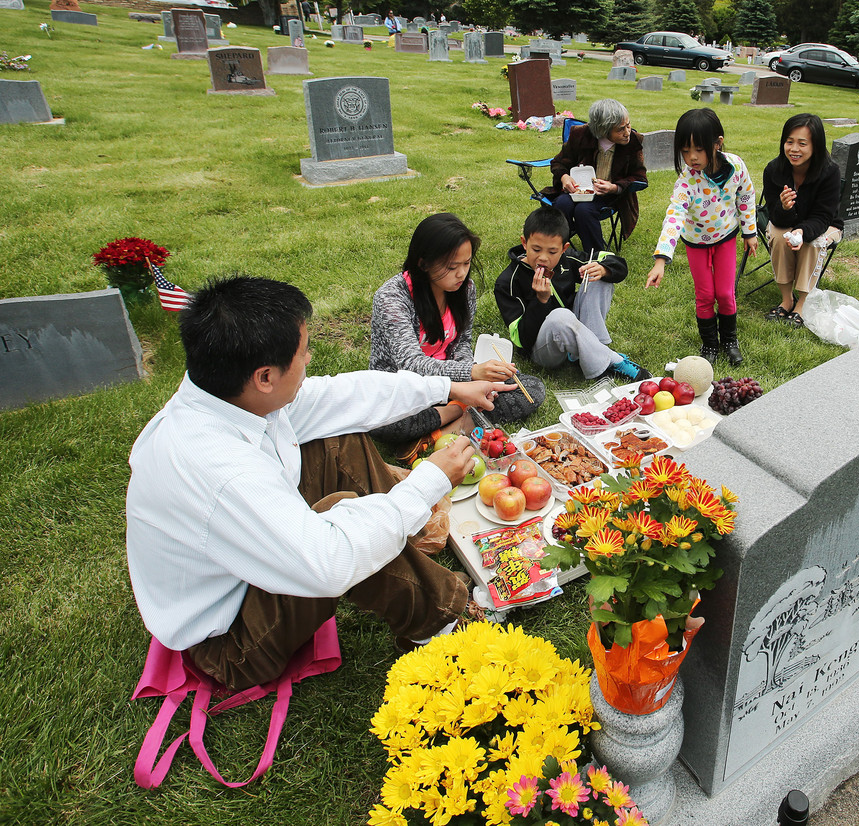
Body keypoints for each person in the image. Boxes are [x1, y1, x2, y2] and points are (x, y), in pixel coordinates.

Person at [125, 275, 516, 690]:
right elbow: (331, 561)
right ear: (264, 377)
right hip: (232, 642)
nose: (310, 357)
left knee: (337, 432)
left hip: (244, 567)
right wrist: (430, 480)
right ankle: (438, 621)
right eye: (303, 351)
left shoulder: (227, 398)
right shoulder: (218, 469)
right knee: (345, 521)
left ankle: (403, 541)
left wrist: (450, 387)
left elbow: (346, 396)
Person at [370, 214, 544, 453]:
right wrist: (470, 374)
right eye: (452, 267)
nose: (462, 274)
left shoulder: (465, 290)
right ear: (423, 263)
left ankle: (440, 431)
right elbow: (410, 364)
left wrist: (476, 379)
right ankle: (459, 412)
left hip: (453, 383)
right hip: (406, 389)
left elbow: (462, 341)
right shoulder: (392, 298)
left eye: (467, 263)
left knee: (531, 389)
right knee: (383, 423)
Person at [645, 108, 757, 366]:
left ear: (717, 143)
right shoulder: (686, 181)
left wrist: (749, 231)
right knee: (705, 294)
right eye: (685, 151)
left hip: (726, 237)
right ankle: (709, 344)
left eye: (698, 149)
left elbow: (746, 196)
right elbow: (674, 216)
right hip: (696, 243)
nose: (691, 157)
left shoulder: (737, 165)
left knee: (726, 293)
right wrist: (661, 259)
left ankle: (730, 340)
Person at [495, 206, 650, 382]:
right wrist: (541, 300)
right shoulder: (507, 281)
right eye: (536, 250)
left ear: (563, 248)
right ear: (524, 243)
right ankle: (608, 359)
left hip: (573, 328)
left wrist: (604, 269)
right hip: (545, 350)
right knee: (560, 316)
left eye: (552, 251)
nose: (543, 258)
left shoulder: (566, 259)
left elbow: (615, 262)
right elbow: (522, 340)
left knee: (597, 277)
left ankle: (589, 350)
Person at [760, 113, 843, 327]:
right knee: (779, 236)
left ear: (815, 145)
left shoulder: (830, 172)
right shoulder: (774, 170)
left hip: (826, 224)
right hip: (785, 223)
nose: (794, 149)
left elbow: (823, 216)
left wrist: (801, 231)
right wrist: (784, 207)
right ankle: (786, 299)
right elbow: (775, 217)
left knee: (811, 241)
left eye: (802, 143)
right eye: (789, 142)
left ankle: (802, 302)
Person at [543, 98, 648, 254]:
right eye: (620, 129)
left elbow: (640, 177)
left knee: (584, 211)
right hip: (577, 191)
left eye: (628, 125)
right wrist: (564, 177)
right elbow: (558, 163)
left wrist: (614, 187)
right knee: (562, 204)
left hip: (610, 195)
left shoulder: (632, 142)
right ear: (603, 130)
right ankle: (555, 250)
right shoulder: (580, 135)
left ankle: (598, 257)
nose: (627, 133)